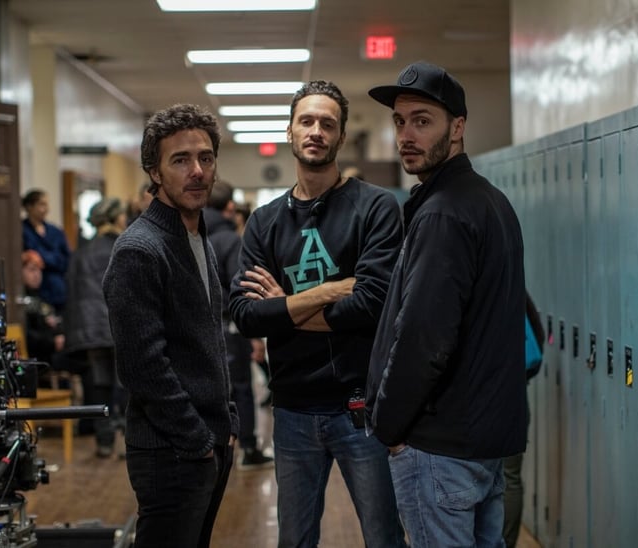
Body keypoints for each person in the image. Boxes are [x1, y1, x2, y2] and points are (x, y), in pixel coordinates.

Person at [230, 80, 407, 548]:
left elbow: (372, 303)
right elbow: (246, 315)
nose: (316, 131)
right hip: (291, 408)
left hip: (361, 409)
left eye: (327, 123)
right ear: (289, 132)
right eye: (306, 121)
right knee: (295, 541)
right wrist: (328, 292)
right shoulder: (265, 222)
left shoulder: (376, 208)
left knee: (383, 537)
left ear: (341, 136)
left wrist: (282, 307)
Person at [365, 60, 527, 547]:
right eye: (399, 121)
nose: (406, 135)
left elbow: (424, 338)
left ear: (457, 128)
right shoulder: (487, 200)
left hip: (440, 445)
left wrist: (389, 427)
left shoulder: (443, 214)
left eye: (422, 120)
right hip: (479, 443)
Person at [102, 103, 238, 548]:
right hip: (171, 449)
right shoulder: (140, 250)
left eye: (205, 158)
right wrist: (195, 439)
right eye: (180, 160)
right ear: (154, 172)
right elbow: (142, 366)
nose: (197, 171)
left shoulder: (195, 237)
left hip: (207, 440)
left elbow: (206, 340)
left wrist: (227, 421)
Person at [203, 181, 274, 469]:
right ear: (230, 207)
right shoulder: (230, 240)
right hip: (229, 326)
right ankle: (247, 447)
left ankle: (216, 446)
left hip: (202, 326)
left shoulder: (193, 232)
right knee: (241, 387)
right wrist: (254, 334)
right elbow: (240, 289)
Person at [64, 197, 128, 458]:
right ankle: (130, 441)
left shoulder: (83, 250)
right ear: (114, 219)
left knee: (99, 384)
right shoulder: (121, 246)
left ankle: (104, 441)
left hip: (90, 329)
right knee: (126, 384)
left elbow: (72, 292)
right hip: (118, 325)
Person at [503, 291, 545, 547]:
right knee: (510, 477)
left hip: (490, 400)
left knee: (498, 478)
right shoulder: (513, 285)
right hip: (516, 396)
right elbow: (538, 335)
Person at [22, 189, 71, 315]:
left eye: (46, 204)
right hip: (35, 290)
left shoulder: (55, 231)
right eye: (41, 204)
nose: (45, 209)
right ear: (29, 207)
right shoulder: (22, 230)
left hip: (57, 290)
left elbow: (66, 259)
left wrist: (42, 257)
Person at [20, 250, 65, 366]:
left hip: (51, 352)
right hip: (37, 357)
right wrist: (52, 342)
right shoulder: (21, 301)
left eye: (40, 270)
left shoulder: (41, 298)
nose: (37, 274)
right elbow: (27, 335)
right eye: (32, 269)